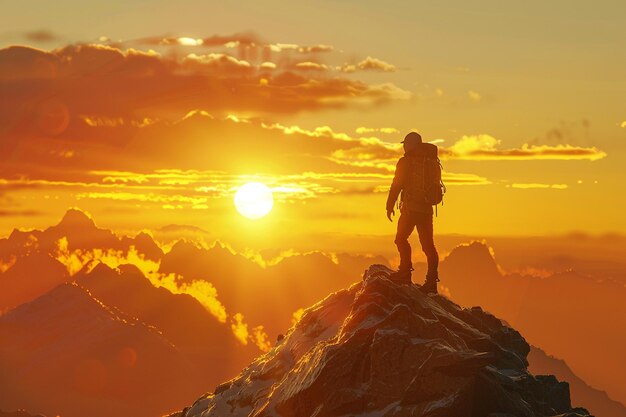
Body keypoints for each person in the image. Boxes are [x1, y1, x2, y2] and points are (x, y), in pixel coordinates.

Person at [386, 132, 440, 293]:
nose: (403, 147)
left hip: (410, 210)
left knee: (400, 239)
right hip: (426, 210)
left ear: (411, 145)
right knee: (428, 246)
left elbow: (396, 184)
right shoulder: (431, 161)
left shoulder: (405, 162)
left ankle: (404, 272)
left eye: (405, 144)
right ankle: (431, 282)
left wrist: (389, 205)